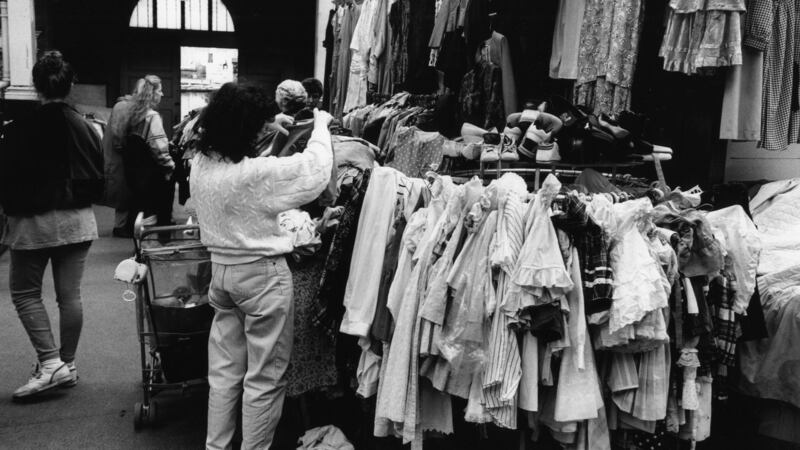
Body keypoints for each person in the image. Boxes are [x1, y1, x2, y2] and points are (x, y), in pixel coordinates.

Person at [190, 82, 333, 449]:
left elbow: (242, 161)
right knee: (264, 379)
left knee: (223, 375)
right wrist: (320, 126)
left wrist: (271, 126)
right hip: (262, 278)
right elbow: (315, 170)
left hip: (221, 274)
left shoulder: (201, 164)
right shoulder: (256, 174)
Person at [0, 51, 104, 399]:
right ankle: (67, 364)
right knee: (69, 296)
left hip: (33, 221)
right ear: (71, 84)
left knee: (25, 293)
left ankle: (49, 363)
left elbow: (7, 178)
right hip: (78, 220)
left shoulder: (18, 129)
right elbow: (100, 174)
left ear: (35, 85)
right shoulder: (87, 127)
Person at [122, 75, 175, 228]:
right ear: (152, 94)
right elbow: (159, 149)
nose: (162, 94)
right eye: (160, 90)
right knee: (161, 216)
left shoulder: (132, 115)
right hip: (153, 176)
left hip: (135, 175)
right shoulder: (152, 117)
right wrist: (171, 167)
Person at [102, 79, 143, 238]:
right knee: (123, 191)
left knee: (124, 191)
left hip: (121, 156)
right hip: (119, 157)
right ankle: (120, 227)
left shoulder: (126, 106)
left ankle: (123, 225)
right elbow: (118, 134)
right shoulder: (123, 106)